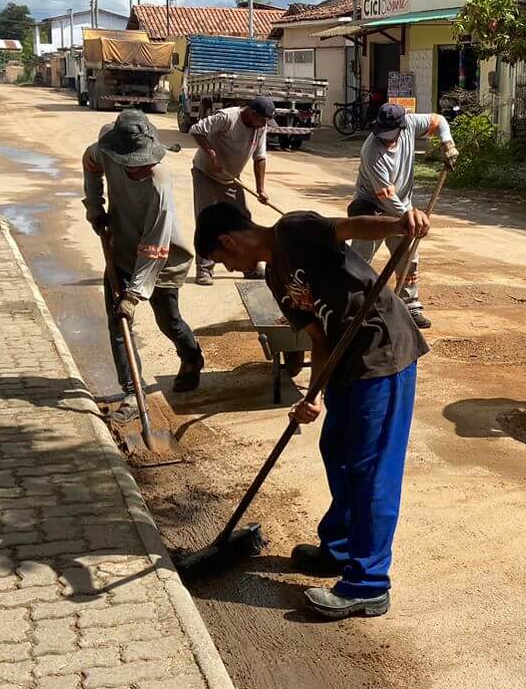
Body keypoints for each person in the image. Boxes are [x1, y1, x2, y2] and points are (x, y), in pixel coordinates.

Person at [194, 199, 430, 620]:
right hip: (344, 361)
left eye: (221, 260)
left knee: (371, 470)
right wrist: (313, 396)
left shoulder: (292, 230)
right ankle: (338, 549)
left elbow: (350, 225)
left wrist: (399, 223)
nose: (229, 270)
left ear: (228, 241)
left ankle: (368, 585)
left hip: (381, 352)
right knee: (337, 453)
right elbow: (319, 339)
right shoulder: (275, 280)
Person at [83, 110, 205, 403]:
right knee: (119, 324)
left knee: (169, 320)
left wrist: (133, 295)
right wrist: (95, 206)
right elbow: (89, 163)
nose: (142, 167)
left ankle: (192, 358)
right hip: (123, 250)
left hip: (163, 259)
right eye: (134, 163)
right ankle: (131, 394)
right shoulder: (106, 149)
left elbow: (155, 245)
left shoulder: (159, 181)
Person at [345, 102, 458, 329]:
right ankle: (350, 304)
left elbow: (440, 121)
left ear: (402, 127)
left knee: (408, 256)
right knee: (360, 257)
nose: (385, 138)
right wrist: (411, 216)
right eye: (382, 133)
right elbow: (386, 196)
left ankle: (410, 304)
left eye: (390, 134)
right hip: (372, 208)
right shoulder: (371, 150)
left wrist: (448, 143)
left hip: (402, 205)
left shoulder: (412, 124)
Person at [189, 96, 274, 284]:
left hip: (231, 178)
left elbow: (260, 157)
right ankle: (204, 269)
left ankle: (250, 266)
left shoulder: (260, 128)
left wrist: (261, 189)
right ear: (252, 113)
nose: (264, 124)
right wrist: (211, 154)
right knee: (206, 219)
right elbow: (196, 130)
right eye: (263, 119)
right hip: (206, 174)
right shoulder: (228, 117)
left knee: (243, 218)